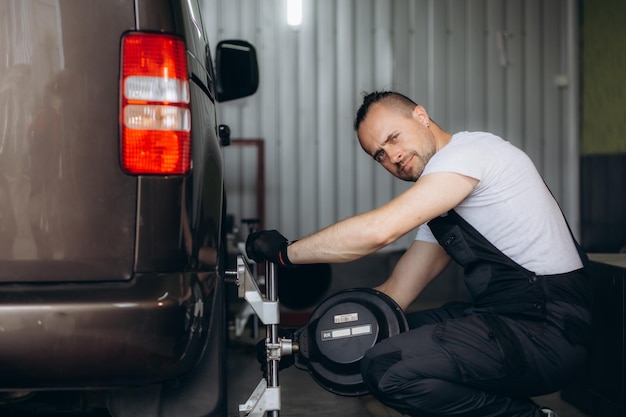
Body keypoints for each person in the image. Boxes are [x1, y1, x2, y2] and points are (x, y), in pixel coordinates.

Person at [246, 91, 591, 417]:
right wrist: (307, 342)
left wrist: (285, 253)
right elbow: (394, 295)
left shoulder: (470, 153)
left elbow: (379, 231)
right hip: (504, 319)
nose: (392, 157)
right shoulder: (442, 204)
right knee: (381, 337)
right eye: (379, 154)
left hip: (549, 329)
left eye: (393, 138)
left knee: (388, 367)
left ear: (421, 116)